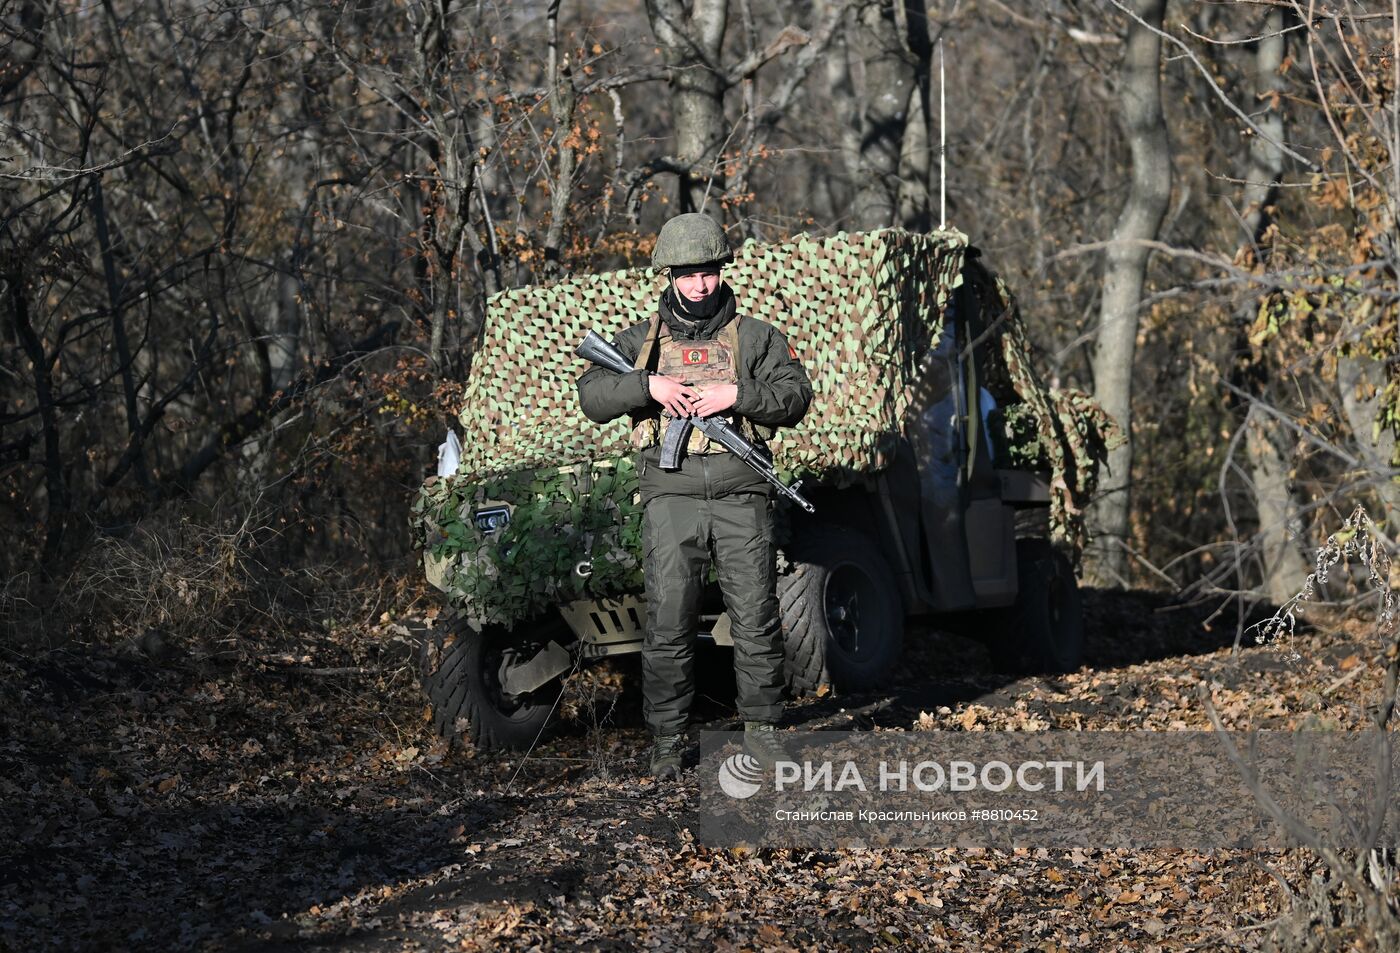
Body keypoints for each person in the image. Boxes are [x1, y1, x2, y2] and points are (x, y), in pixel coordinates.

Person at [576, 212, 813, 779]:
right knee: (668, 620)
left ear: (721, 271)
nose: (699, 286)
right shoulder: (641, 342)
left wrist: (739, 395)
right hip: (671, 497)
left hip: (741, 493)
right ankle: (665, 742)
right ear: (669, 276)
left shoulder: (756, 337)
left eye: (707, 273)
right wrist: (647, 384)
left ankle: (762, 732)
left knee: (755, 616)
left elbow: (795, 397)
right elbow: (591, 394)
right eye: (686, 275)